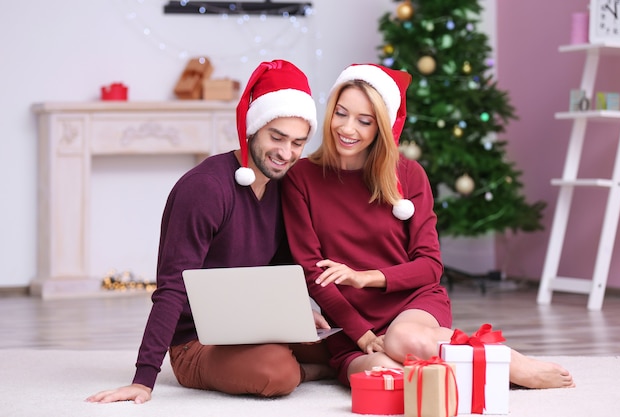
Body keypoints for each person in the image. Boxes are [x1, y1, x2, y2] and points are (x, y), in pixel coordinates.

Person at [281, 63, 575, 390]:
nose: (348, 128)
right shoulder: (300, 178)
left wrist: (364, 277)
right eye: (341, 114)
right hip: (352, 325)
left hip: (412, 305)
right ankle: (460, 367)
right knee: (384, 374)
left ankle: (511, 363)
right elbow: (312, 271)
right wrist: (362, 335)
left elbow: (430, 266)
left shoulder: (408, 174)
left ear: (382, 126)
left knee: (402, 338)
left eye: (365, 121)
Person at [87, 59, 333, 404]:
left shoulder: (284, 187)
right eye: (276, 137)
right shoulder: (205, 188)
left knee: (343, 342)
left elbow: (280, 270)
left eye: (297, 143)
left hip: (258, 325)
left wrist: (296, 314)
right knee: (277, 373)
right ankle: (306, 372)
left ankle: (303, 358)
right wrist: (143, 379)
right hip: (197, 341)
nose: (286, 153)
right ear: (252, 128)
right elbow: (172, 286)